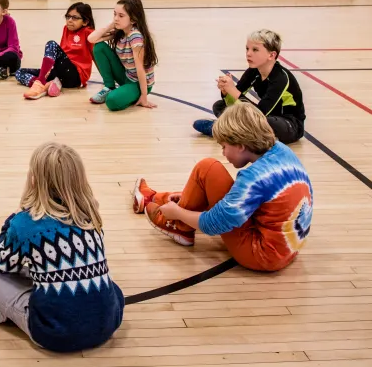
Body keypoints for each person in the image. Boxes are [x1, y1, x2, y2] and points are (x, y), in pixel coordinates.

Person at [0, 142, 125, 353]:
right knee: (87, 278)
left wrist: (11, 223)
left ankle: (4, 310)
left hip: (54, 333)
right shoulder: (89, 214)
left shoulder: (25, 223)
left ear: (34, 179)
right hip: (108, 323)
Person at [133, 102, 313, 272]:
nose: (223, 153)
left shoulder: (254, 177)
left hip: (262, 255)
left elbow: (214, 224)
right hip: (288, 248)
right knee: (212, 177)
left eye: (224, 146)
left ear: (241, 146)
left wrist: (179, 213)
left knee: (207, 168)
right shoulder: (282, 151)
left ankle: (178, 225)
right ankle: (162, 198)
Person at [193, 29, 305, 144]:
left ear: (271, 55)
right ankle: (231, 130)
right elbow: (235, 101)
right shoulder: (253, 71)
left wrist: (233, 90)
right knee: (220, 105)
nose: (248, 53)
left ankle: (223, 129)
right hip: (263, 119)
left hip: (289, 125)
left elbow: (260, 113)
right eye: (247, 49)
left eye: (255, 50)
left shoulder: (280, 78)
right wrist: (226, 92)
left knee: (267, 122)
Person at [88, 0, 157, 111]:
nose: (116, 18)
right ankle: (109, 87)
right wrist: (110, 26)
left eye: (121, 16)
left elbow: (140, 68)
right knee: (99, 47)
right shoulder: (121, 32)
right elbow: (91, 39)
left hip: (138, 83)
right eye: (114, 14)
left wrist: (144, 96)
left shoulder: (135, 37)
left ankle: (131, 95)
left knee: (112, 101)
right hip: (127, 75)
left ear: (133, 19)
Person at [16, 2, 95, 99]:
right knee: (19, 72)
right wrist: (49, 69)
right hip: (61, 72)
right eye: (68, 17)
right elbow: (61, 51)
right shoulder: (66, 29)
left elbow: (96, 56)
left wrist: (108, 81)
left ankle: (40, 83)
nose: (70, 20)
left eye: (74, 18)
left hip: (76, 75)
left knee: (51, 44)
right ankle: (48, 85)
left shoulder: (89, 33)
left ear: (85, 22)